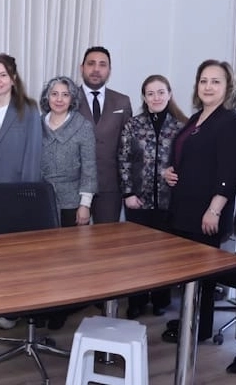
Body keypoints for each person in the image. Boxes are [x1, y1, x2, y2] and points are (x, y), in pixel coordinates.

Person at [159, 60, 236, 350]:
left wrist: (214, 209)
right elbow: (186, 156)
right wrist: (170, 171)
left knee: (203, 274)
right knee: (189, 272)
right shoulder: (196, 118)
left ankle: (200, 329)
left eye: (216, 81)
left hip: (207, 211)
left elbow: (229, 171)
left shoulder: (228, 122)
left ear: (227, 87)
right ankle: (188, 320)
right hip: (184, 208)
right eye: (204, 80)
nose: (208, 86)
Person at [0, 53, 41, 330]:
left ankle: (12, 311)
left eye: (2, 75)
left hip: (15, 196)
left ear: (13, 78)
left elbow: (33, 156)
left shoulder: (28, 110)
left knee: (14, 259)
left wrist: (26, 199)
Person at [118, 74, 187, 320]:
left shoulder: (181, 127)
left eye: (160, 92)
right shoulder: (133, 125)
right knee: (137, 255)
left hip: (169, 202)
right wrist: (128, 193)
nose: (156, 97)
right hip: (138, 200)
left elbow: (187, 164)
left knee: (162, 254)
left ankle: (160, 300)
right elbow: (124, 160)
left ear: (169, 94)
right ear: (144, 98)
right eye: (150, 93)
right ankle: (136, 301)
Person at [40, 75, 97, 330]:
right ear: (47, 97)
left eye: (65, 94)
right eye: (54, 94)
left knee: (66, 261)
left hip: (71, 200)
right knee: (44, 260)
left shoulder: (82, 126)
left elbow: (90, 167)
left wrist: (85, 203)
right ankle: (44, 306)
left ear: (72, 99)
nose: (59, 99)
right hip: (40, 201)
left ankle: (61, 310)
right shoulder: (37, 124)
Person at [77, 46, 132, 223]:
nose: (96, 69)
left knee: (107, 237)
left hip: (110, 186)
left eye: (102, 64)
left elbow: (128, 146)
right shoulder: (68, 99)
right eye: (91, 63)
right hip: (74, 186)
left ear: (109, 70)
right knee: (72, 238)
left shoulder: (122, 101)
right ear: (82, 68)